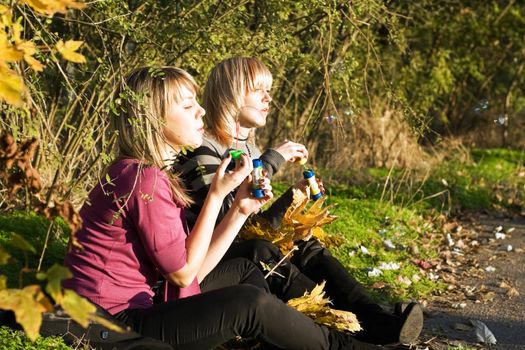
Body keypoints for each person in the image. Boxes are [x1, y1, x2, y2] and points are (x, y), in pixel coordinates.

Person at [63, 66, 385, 350]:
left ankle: (299, 337)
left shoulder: (145, 173)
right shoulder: (142, 179)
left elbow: (193, 274)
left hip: (134, 306)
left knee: (245, 272)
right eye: (189, 106)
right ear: (153, 118)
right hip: (108, 323)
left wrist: (240, 209)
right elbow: (183, 273)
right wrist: (216, 197)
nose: (201, 111)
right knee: (249, 303)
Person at [176, 57, 424, 346]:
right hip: (209, 264)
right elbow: (232, 227)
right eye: (258, 91)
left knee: (306, 246)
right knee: (265, 252)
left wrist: (291, 198)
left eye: (269, 90)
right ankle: (349, 330)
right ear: (232, 93)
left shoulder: (247, 146)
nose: (268, 98)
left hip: (234, 248)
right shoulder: (204, 149)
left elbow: (251, 218)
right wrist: (273, 159)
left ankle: (375, 320)